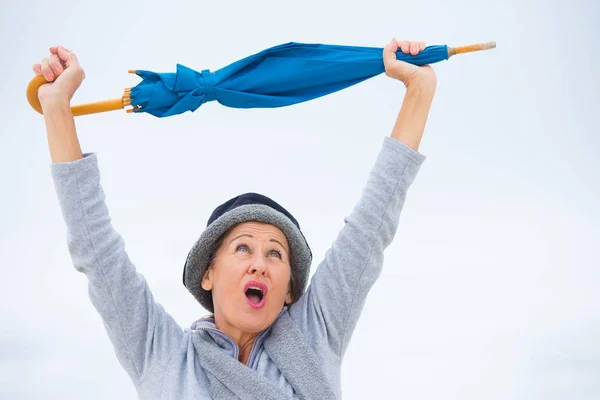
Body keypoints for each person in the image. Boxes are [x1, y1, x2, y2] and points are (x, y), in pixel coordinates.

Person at [34, 38, 436, 399]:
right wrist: (56, 110)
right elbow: (96, 249)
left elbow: (372, 224)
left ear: (291, 291)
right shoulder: (161, 355)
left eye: (276, 255)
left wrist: (418, 90)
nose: (259, 263)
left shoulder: (318, 335)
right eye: (242, 248)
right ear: (207, 275)